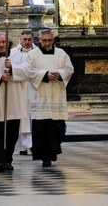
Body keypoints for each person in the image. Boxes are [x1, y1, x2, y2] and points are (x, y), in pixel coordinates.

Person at [0, 31, 32, 173]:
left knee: (12, 134)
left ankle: (8, 159)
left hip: (14, 101)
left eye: (3, 42)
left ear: (8, 42)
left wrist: (13, 67)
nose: (1, 45)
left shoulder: (17, 56)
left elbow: (28, 72)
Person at [27, 29, 74, 167]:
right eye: (44, 40)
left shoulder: (61, 54)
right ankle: (44, 156)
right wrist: (45, 74)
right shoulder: (32, 55)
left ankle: (53, 152)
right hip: (40, 94)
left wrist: (59, 74)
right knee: (41, 127)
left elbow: (69, 69)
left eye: (50, 40)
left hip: (56, 95)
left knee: (58, 128)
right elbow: (28, 71)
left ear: (53, 40)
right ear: (39, 40)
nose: (47, 43)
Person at [13, 30, 35, 155]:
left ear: (33, 39)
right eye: (24, 39)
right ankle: (22, 147)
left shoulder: (38, 53)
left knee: (32, 116)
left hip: (34, 88)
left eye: (29, 39)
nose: (27, 42)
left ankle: (33, 145)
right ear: (20, 40)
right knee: (21, 116)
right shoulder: (13, 53)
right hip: (20, 89)